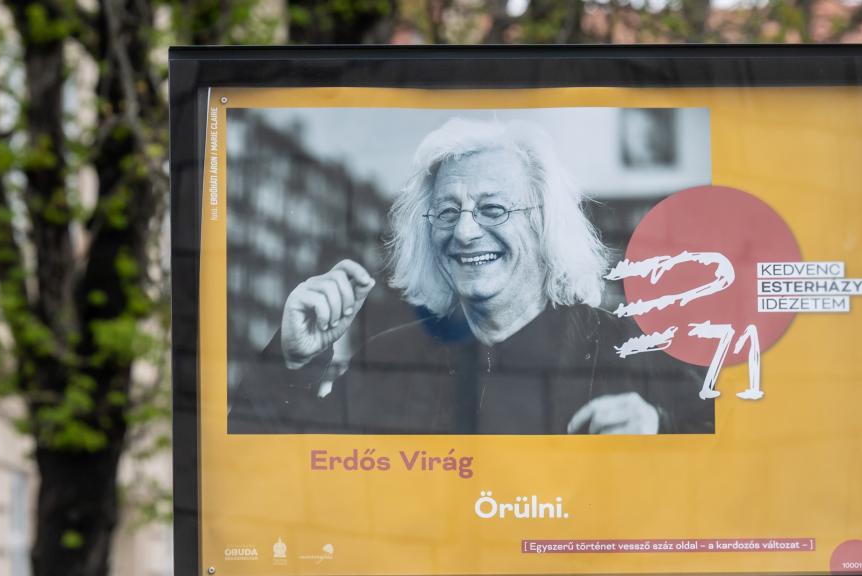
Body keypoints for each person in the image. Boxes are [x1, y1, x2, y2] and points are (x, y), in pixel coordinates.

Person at [229, 117, 712, 435]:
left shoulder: (632, 349)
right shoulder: (390, 359)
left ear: (542, 224)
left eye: (493, 209)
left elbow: (740, 452)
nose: (464, 231)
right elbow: (274, 474)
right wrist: (291, 364)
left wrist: (660, 427)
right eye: (446, 212)